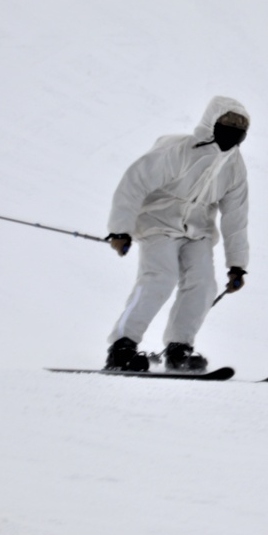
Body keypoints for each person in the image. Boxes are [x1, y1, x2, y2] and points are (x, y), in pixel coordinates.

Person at [104, 96, 251, 372]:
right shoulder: (180, 150)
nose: (234, 131)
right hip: (159, 222)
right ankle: (122, 347)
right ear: (212, 123)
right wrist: (120, 229)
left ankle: (179, 349)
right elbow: (135, 182)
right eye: (227, 123)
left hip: (198, 231)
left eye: (240, 127)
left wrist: (237, 265)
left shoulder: (234, 166)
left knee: (204, 284)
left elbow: (236, 217)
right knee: (161, 277)